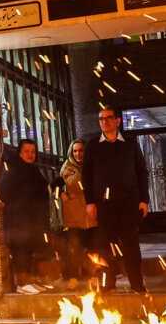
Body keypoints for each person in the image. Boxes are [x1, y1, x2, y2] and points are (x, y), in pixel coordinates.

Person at [82, 107, 150, 294]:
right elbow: (86, 175)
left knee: (131, 243)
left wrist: (144, 199)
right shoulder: (93, 145)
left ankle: (137, 283)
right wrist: (90, 202)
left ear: (117, 121)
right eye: (101, 119)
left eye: (109, 118)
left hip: (129, 200)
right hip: (104, 203)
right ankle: (108, 283)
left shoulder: (130, 143)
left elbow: (142, 171)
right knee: (107, 244)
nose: (105, 121)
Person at [0, 140, 52, 294]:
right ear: (19, 152)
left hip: (32, 219)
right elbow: (3, 190)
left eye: (33, 151)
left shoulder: (30, 168)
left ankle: (29, 281)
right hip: (19, 220)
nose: (30, 154)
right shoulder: (12, 167)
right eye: (26, 151)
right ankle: (22, 283)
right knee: (22, 250)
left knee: (30, 250)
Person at [55, 139, 98, 290]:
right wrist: (61, 193)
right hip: (73, 212)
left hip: (91, 210)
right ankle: (73, 277)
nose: (78, 153)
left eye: (81, 150)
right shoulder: (66, 167)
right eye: (75, 151)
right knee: (75, 247)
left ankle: (94, 277)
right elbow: (55, 184)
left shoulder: (93, 164)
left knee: (94, 247)